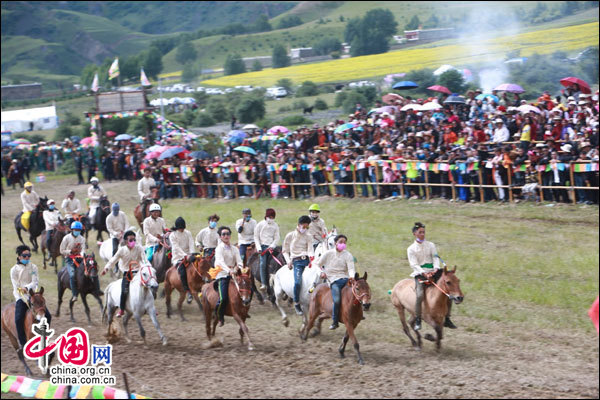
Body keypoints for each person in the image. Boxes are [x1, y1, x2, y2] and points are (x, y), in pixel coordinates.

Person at [407, 222, 456, 331]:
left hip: (435, 271)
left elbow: (435, 258)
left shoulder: (431, 245)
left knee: (449, 289)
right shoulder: (411, 249)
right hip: (420, 273)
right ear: (414, 234)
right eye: (420, 232)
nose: (422, 234)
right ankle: (418, 319)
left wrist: (435, 269)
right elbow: (414, 264)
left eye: (423, 232)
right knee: (419, 295)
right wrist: (424, 273)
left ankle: (447, 318)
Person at [11, 245, 52, 356]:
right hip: (21, 297)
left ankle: (45, 336)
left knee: (48, 316)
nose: (27, 257)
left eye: (29, 255)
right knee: (18, 318)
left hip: (33, 295)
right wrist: (22, 290)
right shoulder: (13, 270)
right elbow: (16, 285)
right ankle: (23, 344)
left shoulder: (33, 267)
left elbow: (35, 281)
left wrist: (27, 288)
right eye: (25, 255)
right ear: (19, 257)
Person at [101, 230, 146, 318]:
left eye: (134, 240)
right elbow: (113, 260)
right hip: (127, 273)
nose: (133, 242)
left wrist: (147, 267)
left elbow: (144, 258)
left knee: (149, 285)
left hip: (138, 272)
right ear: (125, 241)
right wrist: (106, 268)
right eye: (130, 240)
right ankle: (121, 309)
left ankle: (151, 307)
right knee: (124, 290)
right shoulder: (121, 250)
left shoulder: (139, 248)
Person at [315, 234, 355, 330]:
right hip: (333, 281)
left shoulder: (348, 255)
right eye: (341, 242)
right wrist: (321, 273)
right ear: (335, 243)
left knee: (357, 295)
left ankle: (358, 315)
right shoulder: (328, 254)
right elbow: (317, 264)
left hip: (345, 279)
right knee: (337, 300)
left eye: (344, 243)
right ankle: (335, 321)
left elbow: (351, 268)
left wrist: (352, 277)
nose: (343, 244)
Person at [213, 226, 243, 326]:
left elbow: (239, 261)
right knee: (223, 298)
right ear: (220, 237)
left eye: (228, 234)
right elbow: (220, 262)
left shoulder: (235, 249)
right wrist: (229, 270)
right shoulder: (219, 248)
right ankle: (220, 316)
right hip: (222, 274)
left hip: (233, 273)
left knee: (246, 289)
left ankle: (243, 311)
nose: (226, 236)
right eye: (223, 234)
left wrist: (237, 268)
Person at [283, 215, 313, 315]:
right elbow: (285, 251)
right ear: (298, 225)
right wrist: (288, 261)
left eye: (307, 227)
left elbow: (310, 249)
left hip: (307, 261)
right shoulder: (290, 236)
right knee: (297, 282)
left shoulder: (309, 236)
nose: (305, 229)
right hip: (297, 262)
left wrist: (312, 258)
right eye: (304, 227)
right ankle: (296, 302)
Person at [60, 221, 90, 302]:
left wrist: (82, 254)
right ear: (72, 230)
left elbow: (83, 249)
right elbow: (61, 250)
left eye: (79, 230)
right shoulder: (66, 238)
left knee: (90, 270)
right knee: (72, 275)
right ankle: (75, 294)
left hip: (80, 258)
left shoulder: (82, 239)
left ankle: (95, 288)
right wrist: (70, 252)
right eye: (76, 230)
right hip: (69, 259)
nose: (77, 231)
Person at [254, 208, 280, 293]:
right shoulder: (260, 224)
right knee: (262, 263)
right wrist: (259, 248)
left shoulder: (275, 225)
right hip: (263, 248)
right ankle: (264, 283)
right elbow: (256, 237)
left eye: (273, 217)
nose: (271, 218)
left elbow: (277, 237)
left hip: (272, 247)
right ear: (266, 216)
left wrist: (272, 246)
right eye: (270, 217)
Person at [170, 217, 196, 304]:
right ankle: (188, 291)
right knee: (182, 271)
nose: (181, 229)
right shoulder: (172, 235)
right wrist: (185, 256)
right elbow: (176, 248)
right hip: (178, 257)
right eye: (180, 228)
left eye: (183, 228)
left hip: (189, 254)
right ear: (177, 227)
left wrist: (191, 254)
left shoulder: (188, 233)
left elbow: (191, 243)